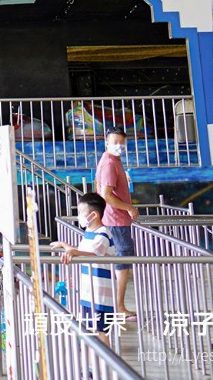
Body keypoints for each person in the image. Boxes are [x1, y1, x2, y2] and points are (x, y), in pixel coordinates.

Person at [50, 192, 115, 344]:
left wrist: (73, 251)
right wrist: (65, 246)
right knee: (92, 331)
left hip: (100, 294)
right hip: (88, 292)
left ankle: (104, 365)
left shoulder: (103, 233)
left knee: (100, 332)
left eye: (81, 212)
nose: (79, 215)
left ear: (94, 215)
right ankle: (94, 366)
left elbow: (94, 253)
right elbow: (82, 251)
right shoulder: (89, 233)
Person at [96, 127, 138, 320]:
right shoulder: (109, 163)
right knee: (122, 263)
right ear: (107, 143)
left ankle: (117, 305)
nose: (119, 146)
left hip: (117, 219)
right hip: (116, 220)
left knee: (122, 263)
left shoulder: (115, 161)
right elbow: (106, 195)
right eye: (115, 142)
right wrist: (128, 208)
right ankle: (119, 307)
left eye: (122, 142)